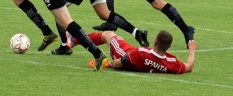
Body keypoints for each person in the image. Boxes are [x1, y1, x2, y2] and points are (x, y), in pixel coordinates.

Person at [67, 30, 197, 74]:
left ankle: (73, 40)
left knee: (108, 34)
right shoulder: (172, 62)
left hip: (123, 53)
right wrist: (192, 50)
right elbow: (189, 67)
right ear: (168, 47)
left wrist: (109, 64)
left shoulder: (140, 53)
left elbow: (120, 63)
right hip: (135, 55)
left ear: (155, 43)